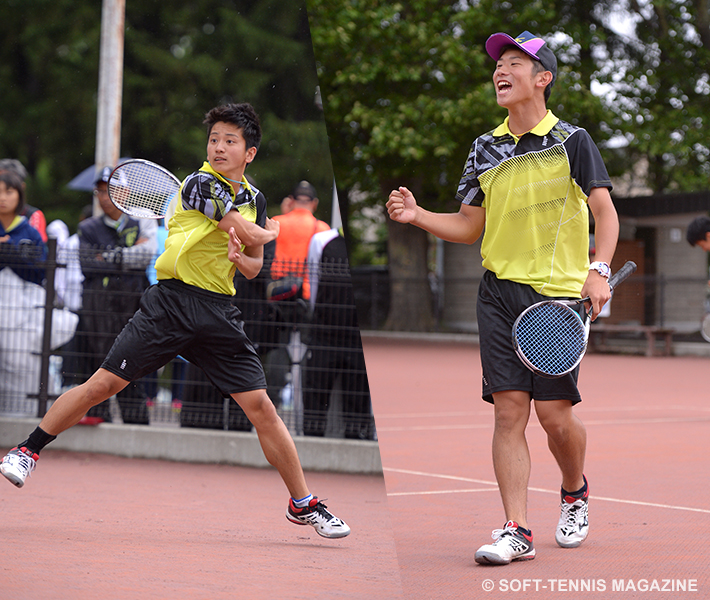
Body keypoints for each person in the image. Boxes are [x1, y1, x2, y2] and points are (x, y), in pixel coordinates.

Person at [0, 102, 350, 539]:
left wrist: (245, 257)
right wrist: (267, 233)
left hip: (219, 312)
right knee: (102, 385)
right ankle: (27, 451)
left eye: (230, 141)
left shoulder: (257, 199)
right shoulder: (199, 183)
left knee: (261, 407)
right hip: (170, 304)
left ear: (250, 152)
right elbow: (251, 231)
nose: (219, 147)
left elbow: (254, 267)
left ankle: (303, 504)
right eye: (214, 139)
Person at [386, 31, 619, 564]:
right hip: (497, 294)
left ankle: (575, 490)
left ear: (543, 79)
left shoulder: (572, 140)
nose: (501, 71)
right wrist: (418, 216)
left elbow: (605, 213)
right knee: (509, 412)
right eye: (498, 64)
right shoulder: (484, 147)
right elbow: (469, 226)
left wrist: (598, 270)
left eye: (516, 63)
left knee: (555, 417)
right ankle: (516, 529)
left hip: (557, 297)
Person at [65, 168, 156, 425]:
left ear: (126, 193)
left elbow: (146, 256)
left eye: (112, 190)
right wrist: (126, 255)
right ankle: (97, 419)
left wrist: (108, 256)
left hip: (133, 304)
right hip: (98, 306)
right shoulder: (88, 227)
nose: (105, 197)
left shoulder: (142, 219)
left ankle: (137, 426)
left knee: (132, 366)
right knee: (98, 366)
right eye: (101, 191)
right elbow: (87, 266)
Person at [303, 229, 374, 439]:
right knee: (316, 391)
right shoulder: (322, 240)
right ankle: (312, 438)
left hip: (354, 340)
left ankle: (357, 437)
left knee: (357, 395)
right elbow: (313, 281)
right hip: (324, 333)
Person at [271, 180, 330, 301]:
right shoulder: (322, 228)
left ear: (291, 200)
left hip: (277, 290)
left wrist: (285, 213)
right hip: (306, 292)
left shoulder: (276, 222)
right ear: (315, 203)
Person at [0, 169, 46, 284]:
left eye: (9, 192)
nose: (3, 198)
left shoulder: (31, 233)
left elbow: (40, 274)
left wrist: (11, 252)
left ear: (20, 195)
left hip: (25, 299)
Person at [0, 158, 48, 242]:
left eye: (9, 190)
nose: (3, 197)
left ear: (21, 188)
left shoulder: (33, 216)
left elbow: (37, 250)